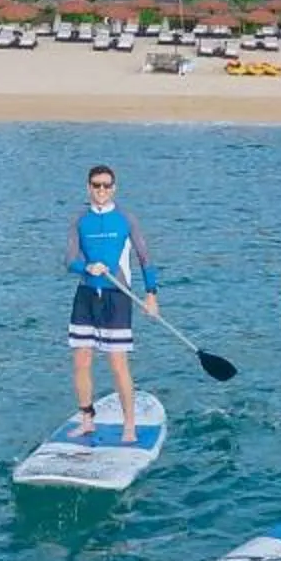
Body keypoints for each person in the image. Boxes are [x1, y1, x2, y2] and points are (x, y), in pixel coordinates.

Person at [62, 163, 159, 444]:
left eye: (106, 185)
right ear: (88, 188)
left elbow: (145, 258)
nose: (101, 190)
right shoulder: (80, 220)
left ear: (114, 188)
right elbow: (68, 260)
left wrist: (151, 294)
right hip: (86, 296)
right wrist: (86, 267)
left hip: (118, 297)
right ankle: (87, 419)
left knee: (117, 363)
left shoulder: (126, 219)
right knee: (81, 360)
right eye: (96, 185)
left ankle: (129, 425)